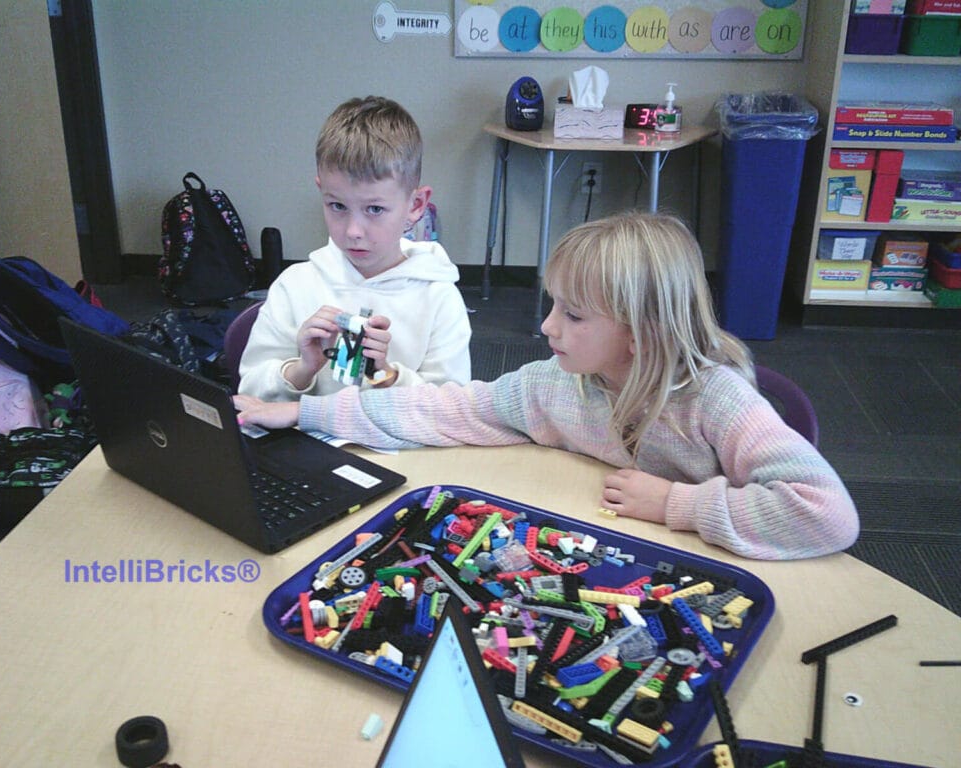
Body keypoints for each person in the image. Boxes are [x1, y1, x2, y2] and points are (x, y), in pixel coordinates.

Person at [236, 212, 859, 560]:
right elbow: (446, 408)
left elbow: (827, 515)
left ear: (641, 334)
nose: (546, 326)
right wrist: (306, 415)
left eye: (573, 315)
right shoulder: (558, 384)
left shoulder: (718, 402)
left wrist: (677, 503)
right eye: (553, 304)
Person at [237, 95, 471, 401]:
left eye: (374, 209)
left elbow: (452, 407)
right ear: (321, 191)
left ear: (415, 205)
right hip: (305, 433)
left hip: (395, 434)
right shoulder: (295, 286)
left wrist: (387, 376)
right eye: (337, 206)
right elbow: (249, 392)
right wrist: (302, 369)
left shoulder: (439, 298)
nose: (353, 232)